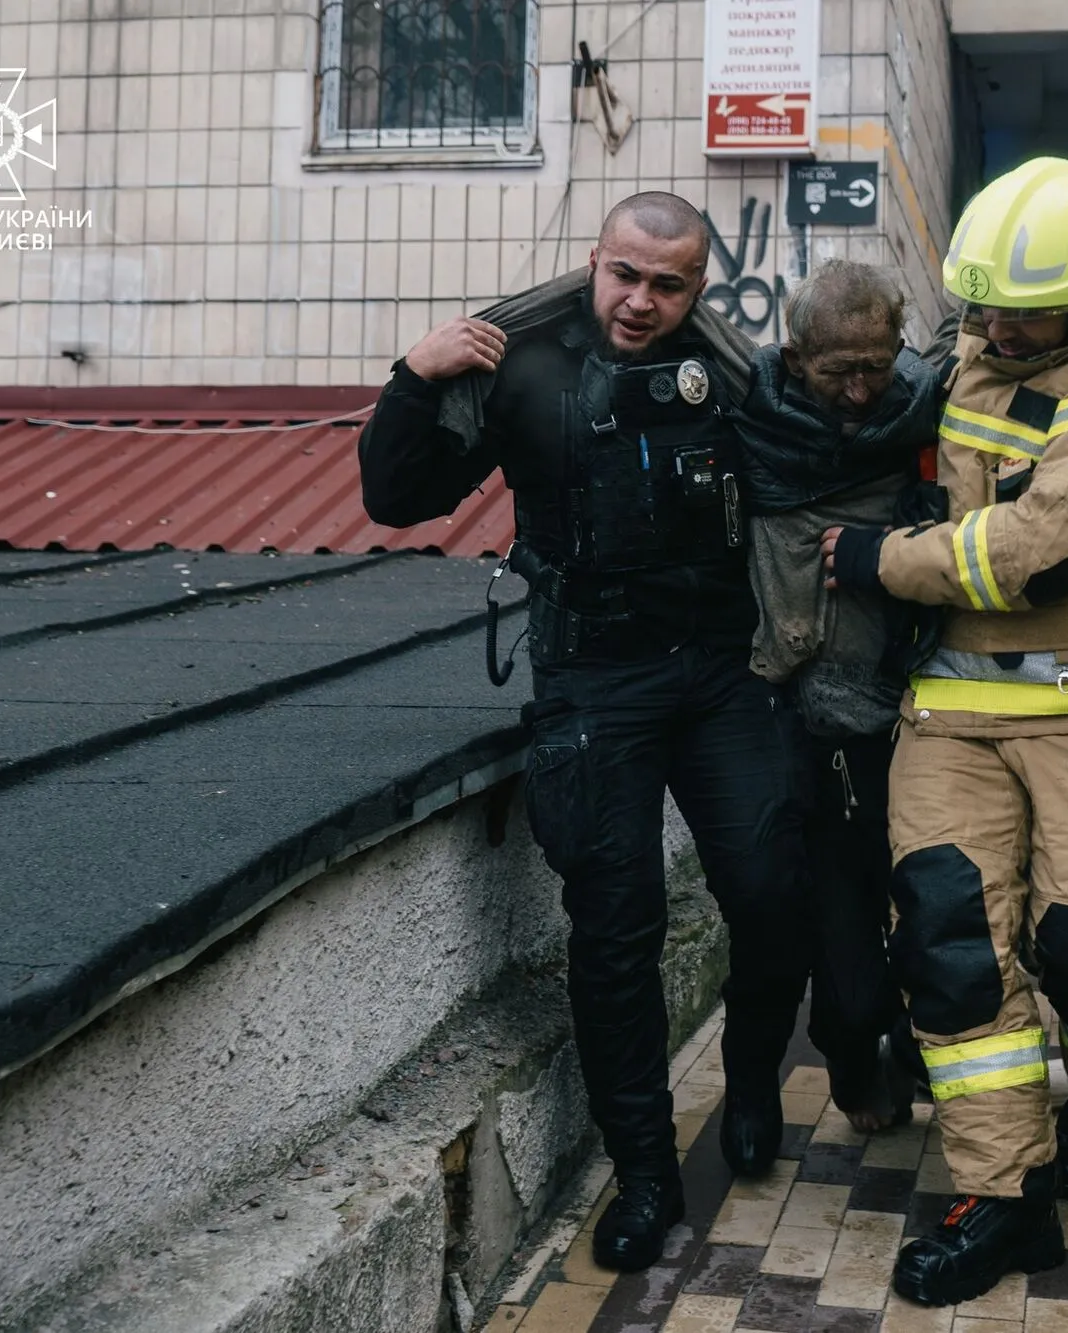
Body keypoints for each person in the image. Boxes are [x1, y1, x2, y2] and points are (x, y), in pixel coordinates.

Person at [356, 192, 811, 1274]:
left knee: (768, 890)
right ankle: (645, 1172)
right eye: (625, 275)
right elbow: (394, 496)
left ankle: (752, 1082)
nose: (640, 301)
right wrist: (413, 377)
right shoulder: (522, 364)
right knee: (615, 927)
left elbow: (820, 463)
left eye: (668, 284)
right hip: (594, 679)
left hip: (719, 671)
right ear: (594, 261)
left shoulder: (730, 373)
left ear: (698, 287)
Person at [824, 158, 1068, 1307]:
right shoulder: (968, 360)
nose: (993, 327)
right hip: (951, 717)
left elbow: (1036, 550)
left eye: (1019, 311)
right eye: (980, 306)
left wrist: (882, 562)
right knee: (950, 950)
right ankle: (1003, 1194)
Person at [734, 260, 940, 1134]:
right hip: (800, 732)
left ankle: (920, 1051)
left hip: (916, 717)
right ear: (794, 359)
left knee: (946, 919)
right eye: (837, 372)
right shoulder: (750, 412)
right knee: (830, 935)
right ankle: (848, 1063)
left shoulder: (926, 404)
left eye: (875, 367)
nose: (860, 392)